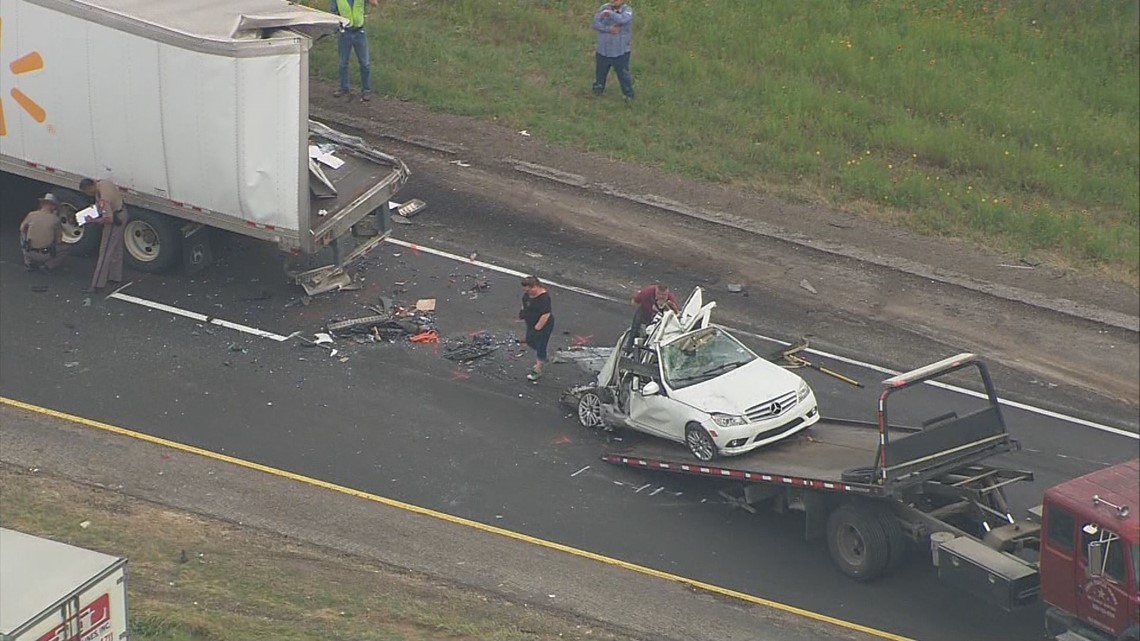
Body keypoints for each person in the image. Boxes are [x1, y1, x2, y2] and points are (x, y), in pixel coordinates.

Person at [80, 177, 129, 292]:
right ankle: (115, 276)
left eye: (87, 191)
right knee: (116, 247)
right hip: (122, 212)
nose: (89, 194)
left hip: (115, 220)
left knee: (105, 251)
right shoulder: (105, 183)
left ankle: (97, 283)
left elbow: (108, 219)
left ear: (90, 187)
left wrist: (92, 220)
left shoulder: (104, 199)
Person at [330, 0, 379, 101]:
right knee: (343, 63)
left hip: (359, 32)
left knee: (365, 63)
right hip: (345, 32)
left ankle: (366, 90)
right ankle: (344, 88)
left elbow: (374, 4)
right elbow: (333, 12)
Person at [591, 0, 634, 101]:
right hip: (603, 51)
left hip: (620, 52)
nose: (613, 1)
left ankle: (628, 95)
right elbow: (595, 23)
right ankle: (598, 90)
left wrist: (609, 13)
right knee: (600, 73)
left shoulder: (628, 11)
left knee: (623, 75)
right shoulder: (604, 8)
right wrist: (608, 29)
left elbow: (622, 20)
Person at [19, 193, 69, 272]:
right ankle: (48, 265)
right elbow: (59, 240)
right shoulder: (55, 220)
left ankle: (28, 262)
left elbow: (22, 228)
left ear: (42, 204)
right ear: (53, 206)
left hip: (29, 251)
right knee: (66, 248)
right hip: (45, 254)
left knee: (23, 234)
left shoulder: (31, 214)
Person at [518, 275, 554, 381]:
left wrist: (537, 329)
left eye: (528, 289)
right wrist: (522, 313)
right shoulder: (527, 295)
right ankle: (542, 356)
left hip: (543, 326)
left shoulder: (544, 298)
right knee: (530, 341)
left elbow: (545, 315)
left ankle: (538, 369)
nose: (526, 292)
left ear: (534, 287)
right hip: (531, 323)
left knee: (541, 344)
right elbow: (524, 304)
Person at [625, 283, 679, 352]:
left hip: (661, 316)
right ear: (655, 292)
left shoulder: (671, 300)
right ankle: (629, 346)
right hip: (645, 311)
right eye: (659, 294)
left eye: (664, 295)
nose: (661, 297)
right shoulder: (647, 292)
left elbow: (676, 314)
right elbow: (634, 302)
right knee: (636, 326)